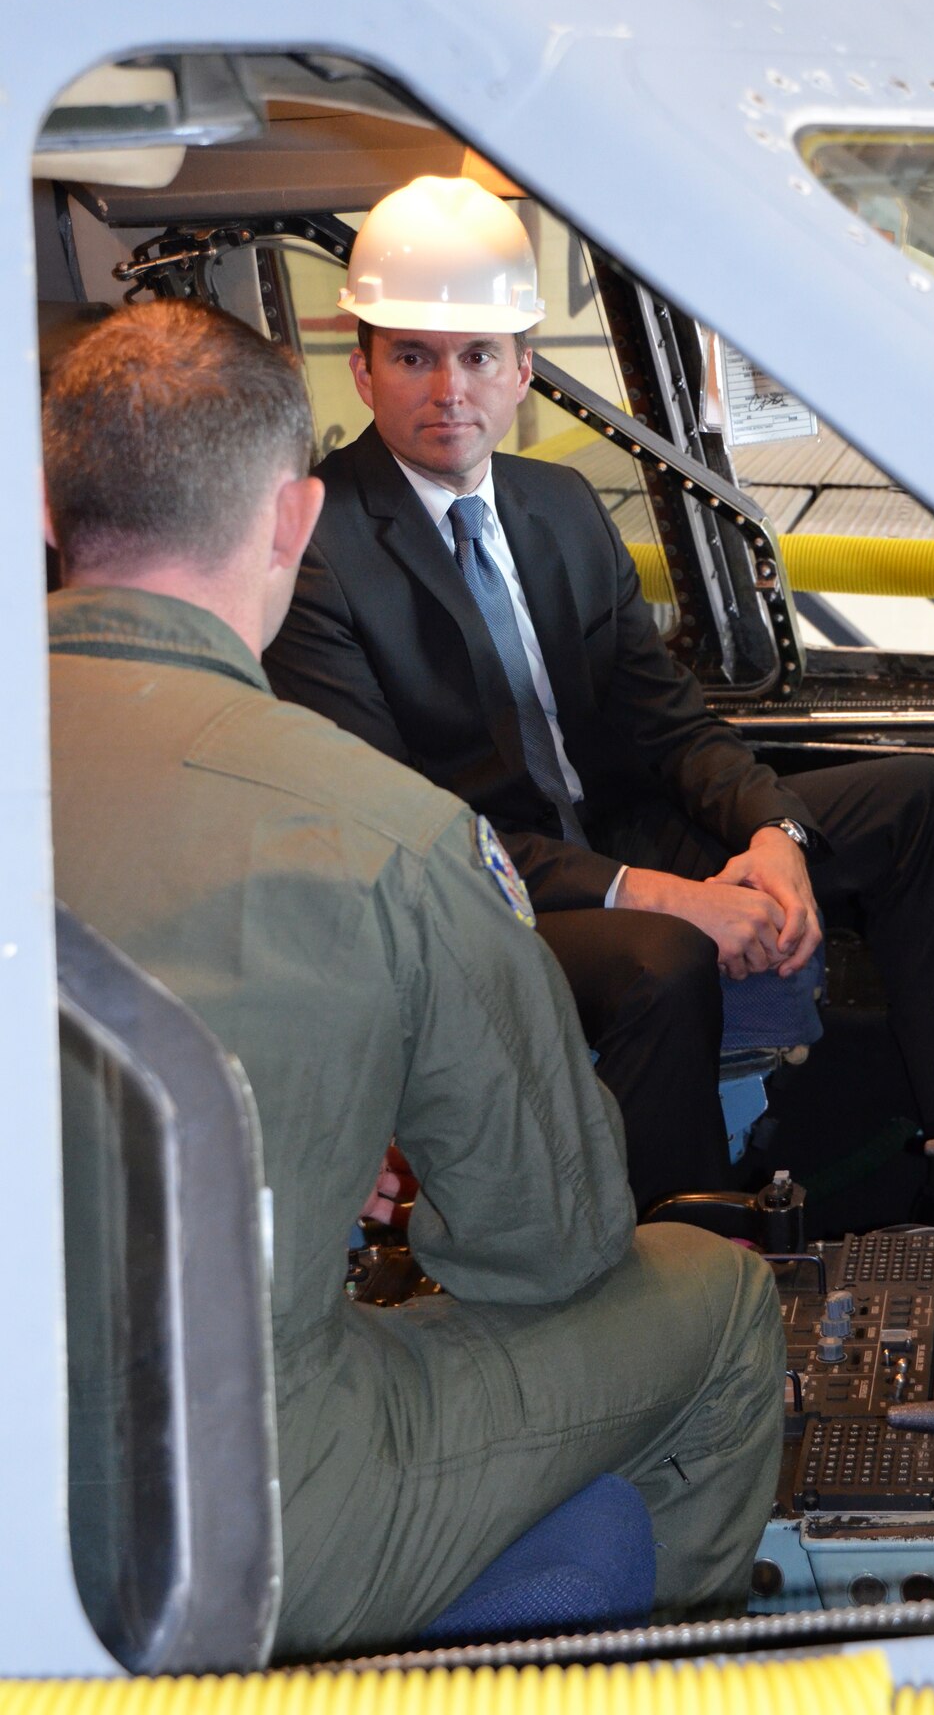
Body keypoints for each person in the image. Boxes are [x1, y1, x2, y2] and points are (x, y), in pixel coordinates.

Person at [43, 301, 784, 1662]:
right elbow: (546, 1247)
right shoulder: (383, 828)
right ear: (291, 520)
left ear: (53, 501)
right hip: (217, 1529)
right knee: (716, 1298)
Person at [265, 176, 934, 1212]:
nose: (447, 389)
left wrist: (771, 830)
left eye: (476, 357)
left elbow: (670, 722)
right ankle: (679, 1256)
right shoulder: (321, 553)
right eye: (413, 356)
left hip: (614, 834)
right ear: (364, 369)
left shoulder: (556, 509)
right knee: (660, 958)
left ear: (521, 370)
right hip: (476, 906)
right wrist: (672, 895)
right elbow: (408, 835)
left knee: (911, 800)